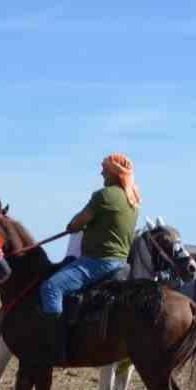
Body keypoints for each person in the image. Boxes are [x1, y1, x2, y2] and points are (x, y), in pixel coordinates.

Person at [38, 154, 142, 365]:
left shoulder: (104, 195)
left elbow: (75, 224)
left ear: (114, 173)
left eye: (105, 169)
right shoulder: (133, 199)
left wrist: (75, 226)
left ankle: (56, 348)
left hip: (96, 263)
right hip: (121, 264)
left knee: (51, 287)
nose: (101, 173)